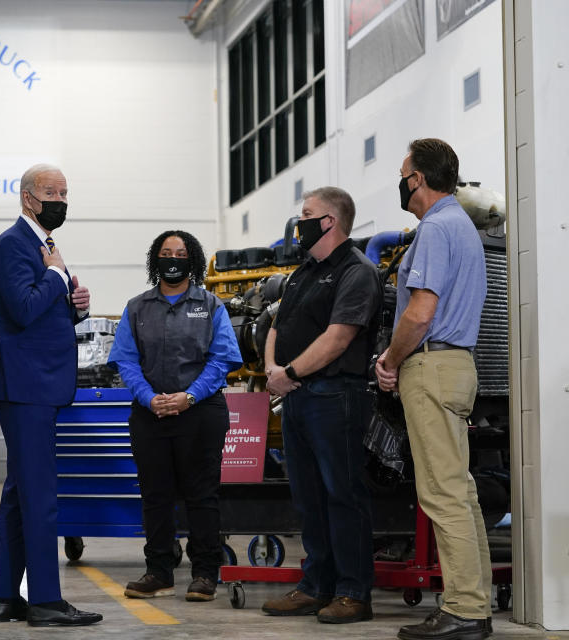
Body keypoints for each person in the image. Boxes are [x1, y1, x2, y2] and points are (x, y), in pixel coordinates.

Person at [376, 139, 491, 640]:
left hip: (432, 364)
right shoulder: (462, 225)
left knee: (443, 494)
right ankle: (474, 602)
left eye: (404, 173)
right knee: (460, 492)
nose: (401, 182)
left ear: (418, 178)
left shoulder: (437, 227)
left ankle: (465, 609)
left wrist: (391, 359)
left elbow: (420, 311)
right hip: (457, 365)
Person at [0, 164, 101, 627]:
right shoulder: (14, 244)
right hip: (28, 385)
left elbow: (47, 311)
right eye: (53, 192)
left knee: (20, 491)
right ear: (28, 198)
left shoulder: (44, 245)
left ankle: (4, 597)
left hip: (39, 383)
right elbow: (25, 308)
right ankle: (46, 601)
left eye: (66, 193)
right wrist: (55, 279)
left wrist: (77, 305)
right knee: (40, 495)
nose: (62, 201)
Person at [261, 187, 381, 623]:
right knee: (308, 497)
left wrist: (288, 375)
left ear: (329, 221)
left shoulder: (357, 271)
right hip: (297, 398)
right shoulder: (302, 272)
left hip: (335, 397)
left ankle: (353, 593)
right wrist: (275, 370)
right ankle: (316, 586)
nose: (300, 222)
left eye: (306, 214)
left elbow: (338, 338)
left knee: (342, 494)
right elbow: (276, 324)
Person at [108, 230, 242, 602]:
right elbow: (125, 359)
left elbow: (223, 359)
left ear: (192, 260)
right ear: (155, 259)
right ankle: (159, 571)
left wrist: (190, 396)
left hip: (200, 413)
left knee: (202, 495)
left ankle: (204, 574)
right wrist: (149, 398)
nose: (172, 258)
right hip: (151, 415)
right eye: (166, 252)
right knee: (155, 496)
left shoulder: (211, 305)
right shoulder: (137, 307)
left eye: (180, 253)